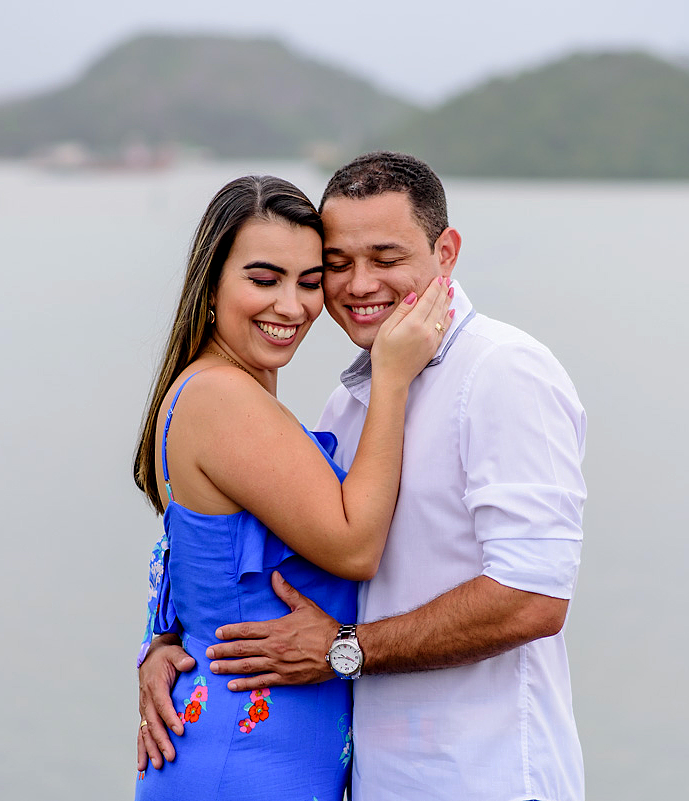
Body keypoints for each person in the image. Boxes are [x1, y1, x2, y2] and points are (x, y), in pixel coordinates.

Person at [139, 152, 588, 800]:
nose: (357, 284)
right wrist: (168, 642)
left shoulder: (503, 371)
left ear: (446, 252)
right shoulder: (352, 404)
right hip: (363, 778)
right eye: (340, 263)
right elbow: (228, 548)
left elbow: (534, 595)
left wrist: (345, 648)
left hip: (479, 779)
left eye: (385, 258)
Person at [130, 174, 452, 800]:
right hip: (245, 760)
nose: (292, 306)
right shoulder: (221, 397)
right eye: (263, 278)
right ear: (212, 280)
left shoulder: (228, 392)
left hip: (266, 751)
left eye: (310, 281)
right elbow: (356, 548)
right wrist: (390, 379)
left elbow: (195, 548)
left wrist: (160, 637)